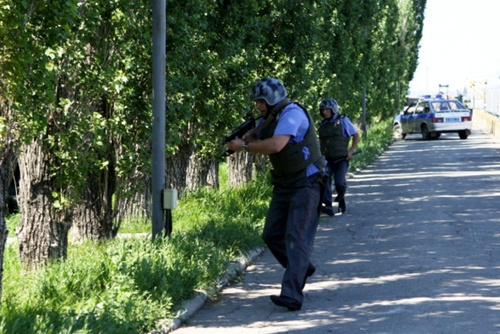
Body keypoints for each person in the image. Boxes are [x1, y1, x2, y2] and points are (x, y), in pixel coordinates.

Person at [227, 78, 326, 311]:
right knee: (271, 234)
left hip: (307, 182)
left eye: (261, 101)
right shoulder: (268, 120)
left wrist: (242, 146)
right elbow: (263, 140)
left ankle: (292, 294)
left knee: (296, 237)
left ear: (273, 99)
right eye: (257, 102)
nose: (259, 106)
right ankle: (302, 267)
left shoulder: (292, 113)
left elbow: (276, 145)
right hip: (284, 183)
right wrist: (250, 138)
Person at [317, 98, 359, 215]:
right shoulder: (322, 125)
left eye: (327, 109)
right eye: (323, 110)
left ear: (333, 110)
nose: (324, 112)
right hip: (327, 160)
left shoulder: (343, 121)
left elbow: (355, 135)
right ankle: (328, 206)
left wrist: (350, 151)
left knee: (340, 183)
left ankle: (341, 199)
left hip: (342, 159)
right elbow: (321, 142)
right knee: (324, 179)